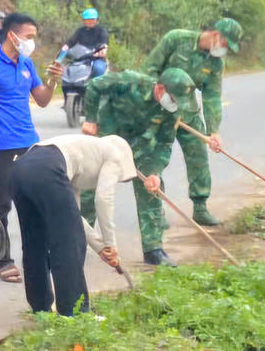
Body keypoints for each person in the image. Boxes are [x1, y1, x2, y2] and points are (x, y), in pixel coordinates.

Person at [81, 67, 211, 266]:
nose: (176, 106)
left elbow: (164, 143)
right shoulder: (131, 82)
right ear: (160, 89)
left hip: (139, 146)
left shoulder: (172, 111)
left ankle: (153, 250)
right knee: (90, 190)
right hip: (106, 138)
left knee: (153, 188)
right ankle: (79, 241)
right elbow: (94, 85)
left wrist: (154, 172)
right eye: (174, 99)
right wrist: (90, 119)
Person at [0, 12, 63, 283]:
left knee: (34, 203)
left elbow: (43, 100)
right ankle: (4, 261)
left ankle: (36, 257)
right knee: (1, 206)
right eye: (29, 37)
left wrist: (53, 80)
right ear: (12, 35)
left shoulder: (27, 64)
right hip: (0, 148)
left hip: (30, 144)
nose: (32, 42)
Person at [11, 133, 148, 316]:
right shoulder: (114, 154)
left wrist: (101, 248)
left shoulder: (80, 156)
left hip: (20, 169)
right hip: (47, 168)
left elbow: (74, 217)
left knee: (35, 242)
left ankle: (40, 308)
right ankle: (75, 313)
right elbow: (103, 199)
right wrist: (111, 244)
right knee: (69, 244)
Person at [141, 18, 243, 226]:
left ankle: (200, 207)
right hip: (162, 109)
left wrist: (214, 131)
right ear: (216, 36)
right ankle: (155, 211)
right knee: (155, 158)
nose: (225, 50)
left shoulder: (216, 62)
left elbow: (212, 96)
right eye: (226, 44)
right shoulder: (176, 39)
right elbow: (150, 69)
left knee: (199, 157)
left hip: (188, 113)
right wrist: (156, 98)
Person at [59, 8, 109, 78]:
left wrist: (102, 51)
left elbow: (104, 44)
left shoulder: (102, 31)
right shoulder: (80, 31)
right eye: (88, 19)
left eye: (92, 19)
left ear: (97, 20)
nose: (90, 21)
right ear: (84, 20)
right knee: (67, 69)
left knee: (98, 69)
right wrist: (65, 48)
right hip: (81, 57)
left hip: (96, 58)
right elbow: (71, 41)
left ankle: (96, 87)